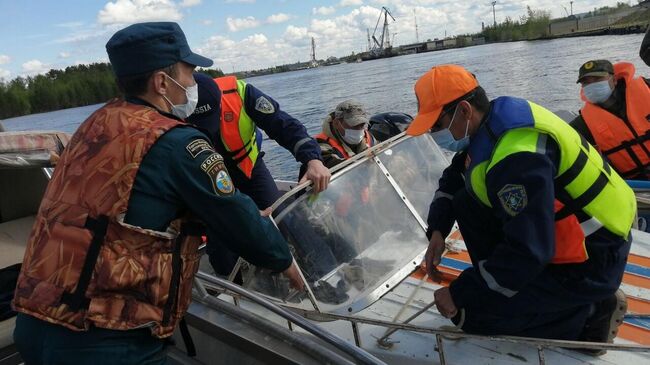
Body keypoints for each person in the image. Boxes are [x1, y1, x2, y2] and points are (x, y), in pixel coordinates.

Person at [12, 22, 303, 365]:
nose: (194, 83)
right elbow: (237, 216)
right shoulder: (176, 141)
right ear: (162, 82)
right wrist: (284, 261)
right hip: (105, 340)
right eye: (190, 72)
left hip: (34, 323)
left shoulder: (92, 126)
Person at [409, 64, 634, 353]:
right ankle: (502, 285)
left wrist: (461, 292)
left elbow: (528, 251)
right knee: (465, 200)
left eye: (436, 126)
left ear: (464, 110)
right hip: (574, 236)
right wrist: (438, 228)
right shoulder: (494, 121)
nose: (433, 134)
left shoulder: (516, 159)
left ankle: (590, 316)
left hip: (594, 258)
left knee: (471, 316)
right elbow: (453, 178)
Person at [186, 73, 330, 277]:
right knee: (221, 239)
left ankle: (321, 274)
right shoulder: (173, 107)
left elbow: (284, 125)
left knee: (282, 215)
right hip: (208, 179)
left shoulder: (241, 93)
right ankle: (234, 292)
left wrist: (313, 159)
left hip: (248, 167)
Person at [569, 59, 650, 180]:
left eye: (597, 80)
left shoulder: (647, 88)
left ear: (614, 80)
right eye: (586, 83)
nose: (592, 86)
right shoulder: (582, 125)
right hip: (636, 185)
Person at [314, 100, 376, 169]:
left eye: (362, 124)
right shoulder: (321, 145)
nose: (359, 129)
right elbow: (328, 162)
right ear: (336, 123)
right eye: (353, 125)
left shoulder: (368, 137)